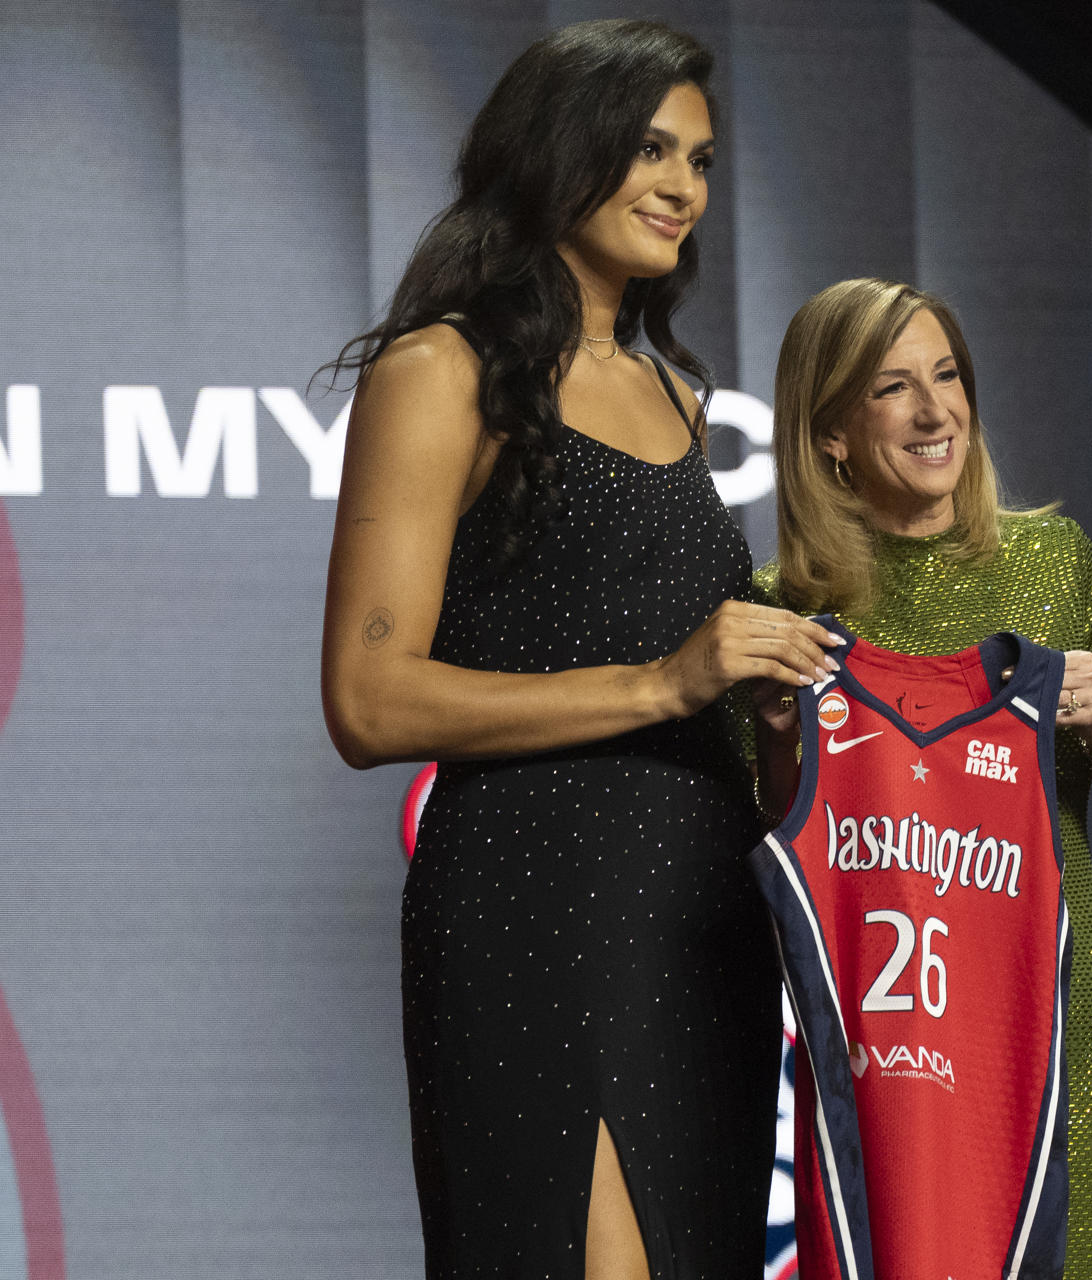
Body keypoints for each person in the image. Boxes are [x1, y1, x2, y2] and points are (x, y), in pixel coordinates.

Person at [317, 21, 837, 1279]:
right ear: (559, 151)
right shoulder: (442, 369)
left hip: (703, 927)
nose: (682, 188)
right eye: (649, 149)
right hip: (531, 903)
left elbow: (700, 688)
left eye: (702, 163)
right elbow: (367, 699)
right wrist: (666, 681)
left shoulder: (674, 392)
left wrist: (771, 710)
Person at [756, 278, 1092, 1278]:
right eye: (894, 387)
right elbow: (779, 851)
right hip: (898, 1081)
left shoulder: (1057, 566)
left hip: (1072, 1048)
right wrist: (778, 730)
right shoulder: (785, 612)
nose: (936, 409)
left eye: (948, 376)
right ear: (831, 434)